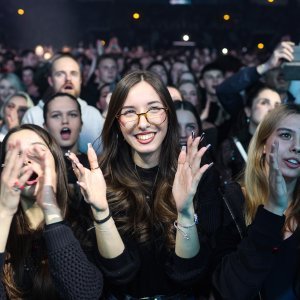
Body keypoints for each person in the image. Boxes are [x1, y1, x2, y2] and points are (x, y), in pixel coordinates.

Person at [67, 70, 214, 299]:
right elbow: (120, 273)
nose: (143, 122)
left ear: (168, 114)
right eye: (129, 112)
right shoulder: (100, 180)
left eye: (154, 109)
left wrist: (185, 211)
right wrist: (100, 209)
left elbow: (188, 273)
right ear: (117, 121)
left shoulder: (194, 176)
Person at [0, 124, 103, 299]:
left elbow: (86, 295)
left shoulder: (82, 221)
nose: (26, 161)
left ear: (54, 162)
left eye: (36, 152)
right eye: (15, 154)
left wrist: (50, 209)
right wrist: (4, 213)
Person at [213, 103, 300, 299]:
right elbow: (229, 290)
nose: (298, 147)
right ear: (262, 145)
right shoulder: (231, 202)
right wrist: (272, 210)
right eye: (286, 135)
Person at [21, 53, 104, 154]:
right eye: (60, 74)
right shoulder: (33, 115)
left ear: (81, 80)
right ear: (51, 81)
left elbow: (103, 157)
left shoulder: (93, 114)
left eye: (73, 73)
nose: (68, 79)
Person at [217, 83, 281, 183]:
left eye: (277, 106)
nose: (272, 109)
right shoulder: (232, 146)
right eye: (264, 103)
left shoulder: (286, 146)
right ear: (248, 111)